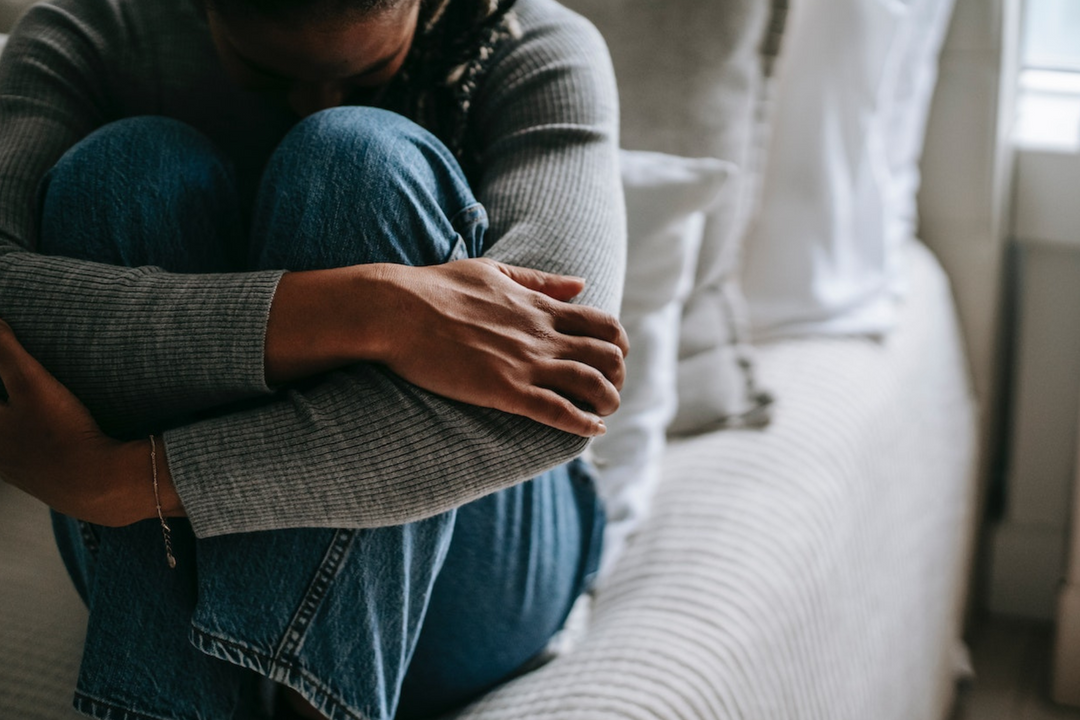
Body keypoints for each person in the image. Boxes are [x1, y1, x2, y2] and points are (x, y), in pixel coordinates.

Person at [0, 0, 626, 717]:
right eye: (267, 74)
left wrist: (124, 480)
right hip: (168, 553)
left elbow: (563, 399)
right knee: (124, 171)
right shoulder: (91, 30)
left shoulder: (529, 46)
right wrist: (379, 309)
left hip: (466, 566)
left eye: (367, 74)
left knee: (358, 158)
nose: (310, 100)